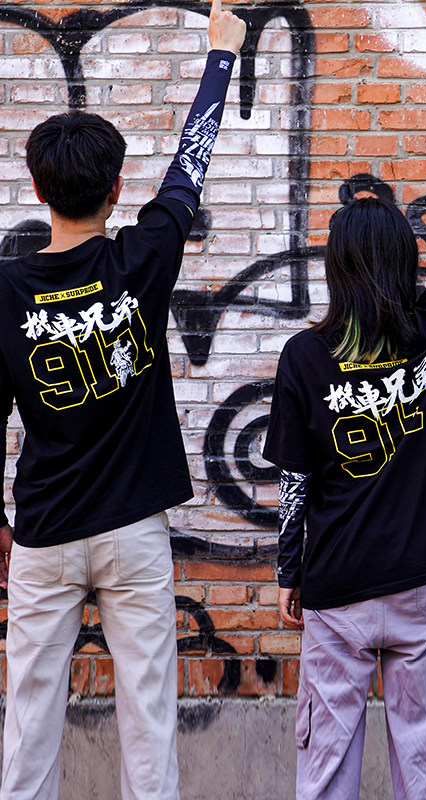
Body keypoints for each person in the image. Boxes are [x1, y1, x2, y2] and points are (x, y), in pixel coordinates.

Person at [0, 3, 246, 798]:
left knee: (27, 725)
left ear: (38, 190)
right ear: (115, 189)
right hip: (133, 531)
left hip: (43, 532)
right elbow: (189, 168)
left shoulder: (6, 291)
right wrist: (221, 55)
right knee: (149, 723)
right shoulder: (142, 259)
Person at [264, 47, 426, 800]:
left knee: (327, 766)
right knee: (425, 764)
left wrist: (291, 572)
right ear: (404, 261)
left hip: (339, 583)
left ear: (334, 268)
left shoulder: (305, 357)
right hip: (425, 578)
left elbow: (296, 482)